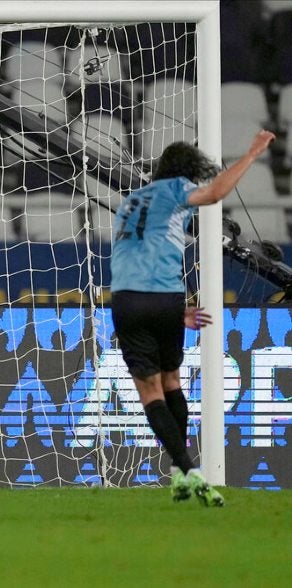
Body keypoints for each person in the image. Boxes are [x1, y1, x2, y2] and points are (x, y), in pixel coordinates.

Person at [110, 129, 276, 506]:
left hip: (127, 299)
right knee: (171, 381)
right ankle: (186, 473)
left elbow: (134, 251)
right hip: (167, 298)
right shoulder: (175, 191)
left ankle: (185, 471)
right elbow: (214, 194)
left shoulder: (131, 201)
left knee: (150, 391)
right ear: (185, 172)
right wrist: (251, 154)